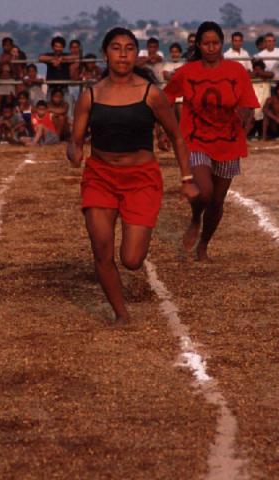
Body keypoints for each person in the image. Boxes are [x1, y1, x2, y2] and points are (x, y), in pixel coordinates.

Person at [68, 27, 198, 325]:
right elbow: (75, 139)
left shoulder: (150, 93)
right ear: (106, 54)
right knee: (101, 248)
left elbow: (177, 137)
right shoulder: (91, 95)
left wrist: (187, 178)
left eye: (129, 48)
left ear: (136, 54)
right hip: (100, 177)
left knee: (132, 259)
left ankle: (126, 289)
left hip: (141, 179)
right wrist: (74, 152)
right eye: (116, 47)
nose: (123, 53)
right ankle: (121, 313)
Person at [164, 21, 259, 261]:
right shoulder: (188, 72)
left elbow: (248, 102)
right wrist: (162, 129)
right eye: (206, 43)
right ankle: (196, 217)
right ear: (198, 44)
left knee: (217, 201)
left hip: (228, 141)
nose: (211, 47)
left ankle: (204, 244)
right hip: (195, 140)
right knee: (204, 191)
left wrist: (244, 115)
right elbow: (165, 97)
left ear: (222, 44)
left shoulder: (236, 71)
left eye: (215, 43)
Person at [248, 60, 272, 138]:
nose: (257, 71)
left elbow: (271, 74)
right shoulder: (250, 79)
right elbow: (245, 75)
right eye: (256, 69)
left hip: (263, 111)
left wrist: (259, 73)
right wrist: (256, 73)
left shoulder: (267, 78)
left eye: (260, 69)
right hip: (252, 112)